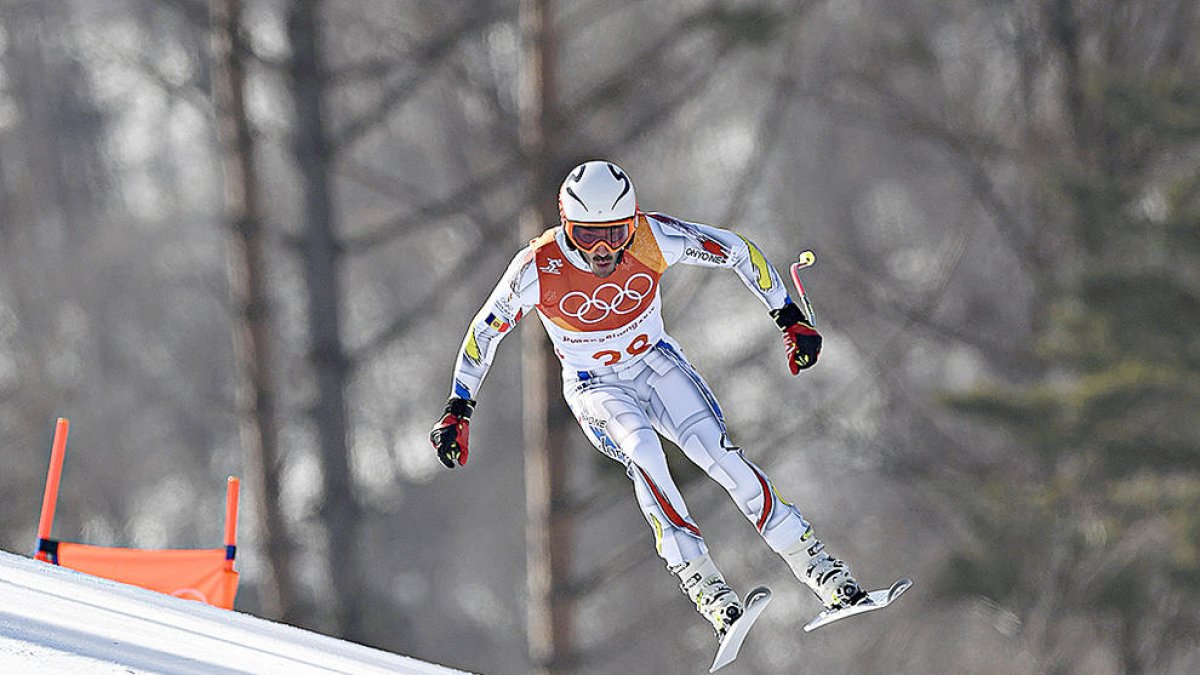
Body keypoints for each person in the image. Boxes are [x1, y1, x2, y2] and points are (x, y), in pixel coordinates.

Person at [430, 160, 866, 637]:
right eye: (588, 235)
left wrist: (788, 316)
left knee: (721, 457)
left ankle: (821, 570)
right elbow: (484, 331)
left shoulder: (653, 237)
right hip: (595, 385)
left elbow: (737, 251)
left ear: (632, 220)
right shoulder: (537, 267)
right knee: (643, 451)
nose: (603, 251)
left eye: (616, 234)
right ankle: (705, 586)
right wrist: (459, 408)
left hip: (656, 364)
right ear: (565, 225)